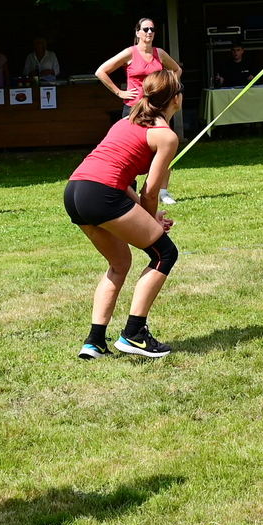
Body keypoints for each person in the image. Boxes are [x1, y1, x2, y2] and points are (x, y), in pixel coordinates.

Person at [64, 70, 184, 359]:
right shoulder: (166, 136)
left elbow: (121, 180)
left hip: (76, 191)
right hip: (102, 195)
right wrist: (151, 220)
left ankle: (94, 342)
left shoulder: (125, 122)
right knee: (164, 254)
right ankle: (134, 334)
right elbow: (150, 192)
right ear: (176, 99)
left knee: (119, 263)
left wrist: (148, 220)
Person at [96, 19, 183, 204]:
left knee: (164, 148)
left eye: (152, 29)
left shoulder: (159, 53)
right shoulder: (130, 53)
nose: (149, 32)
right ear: (137, 32)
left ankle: (163, 191)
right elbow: (101, 71)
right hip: (134, 108)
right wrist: (120, 92)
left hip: (157, 107)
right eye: (145, 29)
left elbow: (176, 70)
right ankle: (129, 191)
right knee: (131, 150)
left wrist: (168, 89)